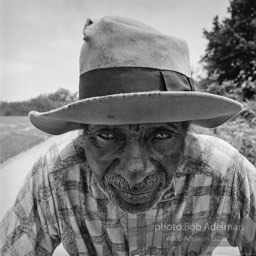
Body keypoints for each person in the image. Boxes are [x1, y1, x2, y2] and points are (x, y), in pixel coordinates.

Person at [0, 16, 255, 256]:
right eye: (108, 134)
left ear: (186, 133)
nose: (135, 169)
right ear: (83, 134)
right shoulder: (54, 175)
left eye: (162, 134)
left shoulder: (225, 173)